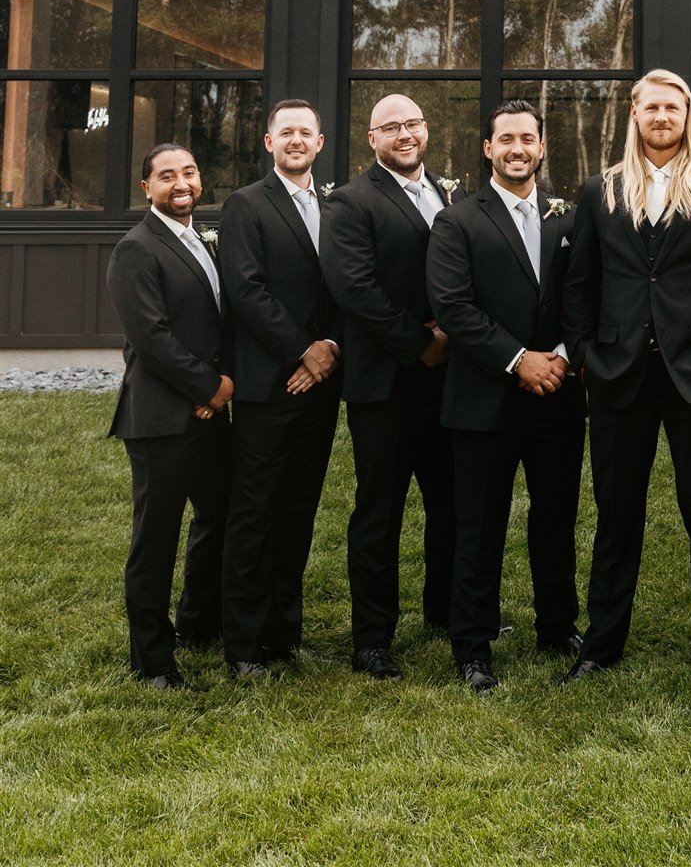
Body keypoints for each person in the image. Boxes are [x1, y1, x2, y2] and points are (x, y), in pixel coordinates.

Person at [561, 69, 691, 689]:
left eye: (673, 108)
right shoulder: (601, 190)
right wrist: (585, 355)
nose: (662, 117)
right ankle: (602, 644)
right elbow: (579, 286)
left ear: (688, 116)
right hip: (618, 376)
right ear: (635, 114)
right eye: (651, 107)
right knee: (615, 514)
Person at [428, 100, 585, 692]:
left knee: (556, 518)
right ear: (488, 149)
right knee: (479, 525)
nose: (519, 148)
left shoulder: (567, 219)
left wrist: (565, 357)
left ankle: (557, 626)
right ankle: (472, 644)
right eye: (507, 139)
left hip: (559, 397)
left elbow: (584, 295)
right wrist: (519, 361)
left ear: (542, 149)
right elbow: (454, 307)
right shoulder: (458, 221)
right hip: (484, 400)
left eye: (529, 139)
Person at [319, 91, 457, 678]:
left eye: (413, 124)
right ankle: (372, 637)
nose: (404, 134)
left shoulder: (443, 194)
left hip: (448, 381)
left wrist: (452, 337)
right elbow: (355, 290)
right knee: (380, 513)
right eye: (390, 127)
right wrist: (420, 343)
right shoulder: (350, 202)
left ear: (426, 131)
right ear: (370, 139)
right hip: (386, 383)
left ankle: (446, 610)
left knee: (450, 503)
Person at [216, 98, 340, 678]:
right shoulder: (245, 205)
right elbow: (247, 292)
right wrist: (303, 350)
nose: (295, 140)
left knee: (298, 511)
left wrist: (328, 352)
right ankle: (241, 646)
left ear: (320, 143)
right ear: (269, 144)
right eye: (285, 132)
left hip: (319, 387)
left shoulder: (335, 208)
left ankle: (282, 636)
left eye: (305, 133)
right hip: (269, 386)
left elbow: (346, 288)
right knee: (254, 513)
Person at [106, 143, 233, 688]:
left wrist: (215, 395)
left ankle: (198, 622)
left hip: (208, 417)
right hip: (160, 418)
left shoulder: (202, 238)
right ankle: (152, 660)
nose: (180, 183)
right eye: (166, 176)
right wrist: (209, 387)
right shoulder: (136, 249)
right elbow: (151, 338)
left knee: (219, 515)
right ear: (146, 188)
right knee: (155, 539)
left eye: (189, 172)